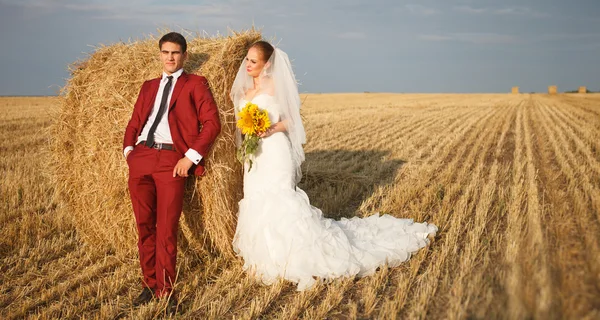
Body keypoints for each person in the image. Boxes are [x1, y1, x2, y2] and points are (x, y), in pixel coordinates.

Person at [230, 41, 437, 291]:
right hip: (256, 157)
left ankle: (293, 256)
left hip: (275, 151)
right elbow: (239, 124)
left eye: (254, 61)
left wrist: (270, 128)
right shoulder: (242, 89)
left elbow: (292, 120)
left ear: (268, 64)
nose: (248, 65)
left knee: (280, 199)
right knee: (256, 198)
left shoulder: (275, 86)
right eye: (247, 60)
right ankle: (265, 256)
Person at [123, 32, 221, 314]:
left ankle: (166, 292)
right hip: (141, 158)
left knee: (166, 229)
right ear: (159, 54)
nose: (170, 57)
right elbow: (133, 123)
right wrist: (129, 152)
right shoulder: (148, 86)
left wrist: (190, 157)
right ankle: (149, 284)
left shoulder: (195, 84)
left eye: (175, 53)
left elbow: (212, 123)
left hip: (171, 160)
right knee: (144, 226)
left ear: (185, 56)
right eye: (165, 52)